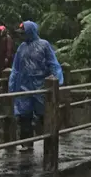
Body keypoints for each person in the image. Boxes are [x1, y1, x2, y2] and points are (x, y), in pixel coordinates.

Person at [9, 20, 63, 151]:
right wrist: (12, 84)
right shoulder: (21, 47)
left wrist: (56, 80)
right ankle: (26, 144)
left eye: (24, 33)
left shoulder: (44, 45)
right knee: (24, 116)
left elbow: (53, 64)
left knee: (44, 114)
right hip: (24, 86)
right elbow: (15, 68)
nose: (22, 35)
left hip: (41, 86)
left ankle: (50, 142)